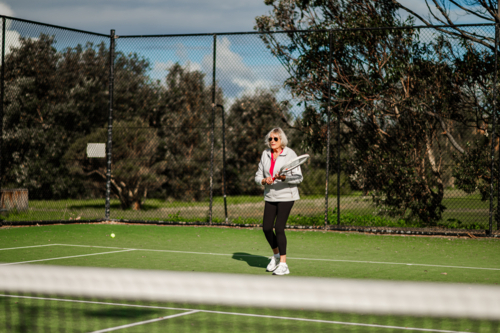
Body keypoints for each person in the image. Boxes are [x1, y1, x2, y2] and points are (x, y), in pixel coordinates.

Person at [255, 127, 303, 275]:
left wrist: (284, 178)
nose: (272, 141)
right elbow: (257, 176)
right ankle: (276, 256)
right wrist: (264, 180)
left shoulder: (290, 154)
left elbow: (299, 178)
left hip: (286, 196)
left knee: (279, 227)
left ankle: (283, 264)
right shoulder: (265, 154)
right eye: (270, 139)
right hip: (271, 196)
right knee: (267, 228)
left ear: (281, 140)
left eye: (275, 139)